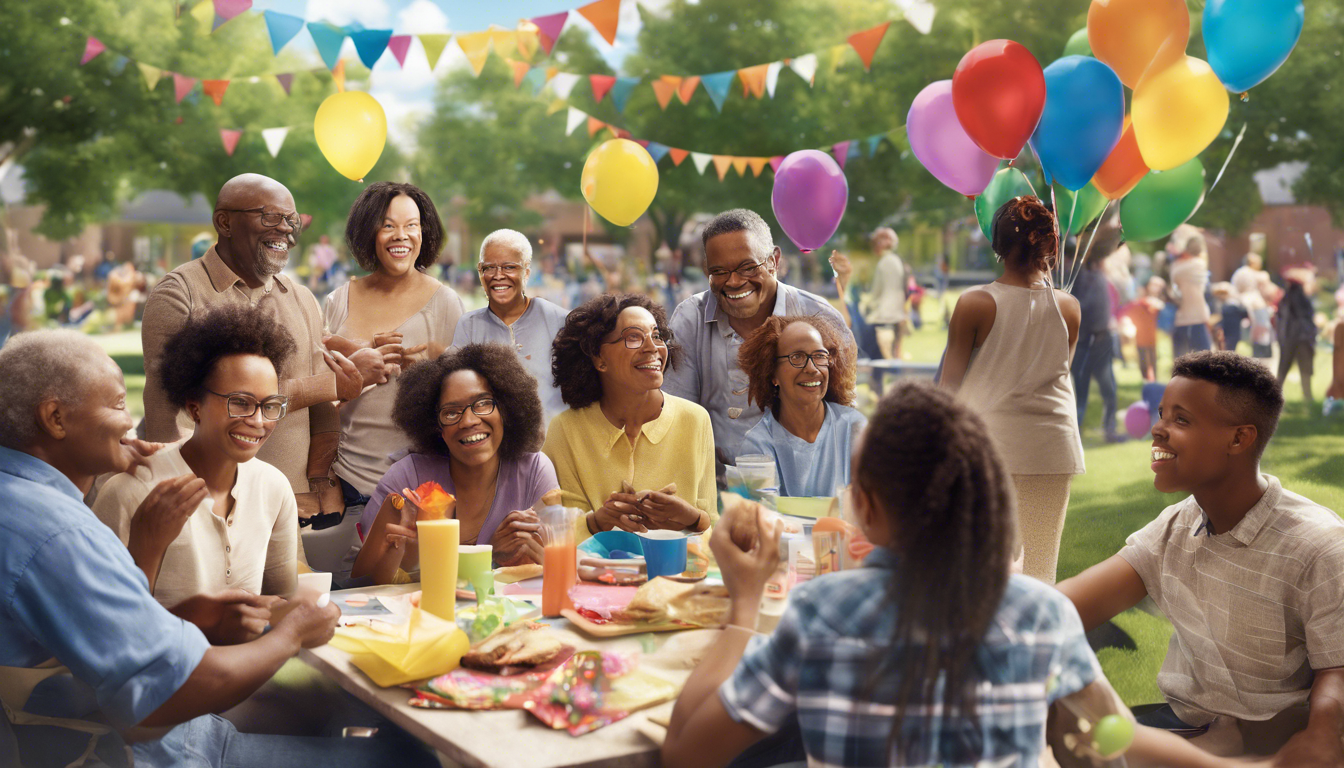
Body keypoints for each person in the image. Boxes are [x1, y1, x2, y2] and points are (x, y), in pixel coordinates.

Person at [661, 382, 1238, 768]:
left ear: (871, 507)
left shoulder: (823, 612)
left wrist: (744, 601)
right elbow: (1108, 738)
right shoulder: (1041, 613)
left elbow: (686, 754)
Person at [0, 330, 435, 768]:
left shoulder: (24, 503)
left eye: (270, 405)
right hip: (151, 745)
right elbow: (152, 700)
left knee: (362, 721)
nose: (130, 423)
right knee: (406, 756)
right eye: (117, 404)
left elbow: (102, 635)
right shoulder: (61, 532)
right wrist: (291, 633)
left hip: (177, 725)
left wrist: (197, 618)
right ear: (55, 418)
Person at [1058, 352, 1344, 760]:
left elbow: (1338, 666)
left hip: (1279, 741)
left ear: (1239, 439)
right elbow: (1066, 606)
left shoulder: (1318, 545)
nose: (1157, 430)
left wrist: (1322, 735)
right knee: (1064, 733)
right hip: (1187, 724)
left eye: (1181, 420)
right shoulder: (1176, 525)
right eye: (1161, 415)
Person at [141, 173, 391, 527]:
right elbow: (171, 420)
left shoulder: (302, 298)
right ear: (224, 222)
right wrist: (333, 386)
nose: (286, 231)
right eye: (270, 217)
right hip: (211, 511)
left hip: (292, 511)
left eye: (291, 221)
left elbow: (321, 408)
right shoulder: (180, 294)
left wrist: (319, 480)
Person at [92, 304, 298, 610]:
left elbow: (282, 598)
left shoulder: (274, 487)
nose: (258, 421)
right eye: (240, 403)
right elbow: (103, 621)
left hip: (249, 657)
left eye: (269, 405)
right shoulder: (130, 493)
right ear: (194, 407)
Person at [940, 196, 1084, 584]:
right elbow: (1058, 370)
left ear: (997, 246)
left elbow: (948, 388)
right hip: (1053, 446)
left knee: (979, 565)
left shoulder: (976, 302)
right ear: (1051, 245)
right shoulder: (1069, 307)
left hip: (989, 445)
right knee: (1039, 571)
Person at [323, 182, 464, 544]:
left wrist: (432, 361)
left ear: (424, 231)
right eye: (387, 225)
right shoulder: (339, 299)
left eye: (411, 225)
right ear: (368, 230)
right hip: (345, 484)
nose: (401, 236)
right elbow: (316, 400)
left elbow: (464, 400)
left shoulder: (444, 303)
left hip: (417, 492)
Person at [350, 344, 559, 583]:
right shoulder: (407, 477)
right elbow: (359, 586)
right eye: (451, 413)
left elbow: (556, 572)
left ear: (506, 410)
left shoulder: (534, 471)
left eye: (482, 403)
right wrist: (490, 555)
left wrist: (541, 554)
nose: (469, 421)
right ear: (437, 428)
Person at [664, 209, 851, 466]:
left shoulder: (819, 316)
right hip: (715, 486)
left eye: (748, 267)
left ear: (774, 260)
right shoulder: (690, 319)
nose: (734, 281)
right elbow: (676, 416)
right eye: (719, 271)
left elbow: (842, 414)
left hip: (800, 485)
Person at [544, 293, 716, 539]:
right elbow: (555, 532)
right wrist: (597, 522)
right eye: (633, 337)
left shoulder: (695, 420)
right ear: (599, 360)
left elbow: (714, 534)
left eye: (656, 336)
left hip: (676, 573)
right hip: (593, 575)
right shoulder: (566, 429)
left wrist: (693, 519)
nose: (653, 347)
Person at [735, 316, 867, 498]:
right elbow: (760, 518)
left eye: (820, 356)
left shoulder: (854, 427)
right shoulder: (757, 445)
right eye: (797, 357)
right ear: (772, 373)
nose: (812, 368)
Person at [452, 229, 569, 424]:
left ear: (526, 272)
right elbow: (455, 387)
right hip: (494, 445)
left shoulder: (557, 320)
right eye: (489, 268)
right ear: (480, 272)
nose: (498, 275)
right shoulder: (469, 326)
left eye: (509, 267)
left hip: (552, 445)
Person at [1071, 249, 1125, 443]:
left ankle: (1109, 430)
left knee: (1108, 388)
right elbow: (1080, 306)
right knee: (1081, 392)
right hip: (1086, 342)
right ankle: (1074, 434)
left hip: (1101, 340)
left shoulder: (1100, 278)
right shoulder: (1084, 278)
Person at [864, 226, 908, 360]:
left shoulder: (888, 261)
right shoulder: (889, 261)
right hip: (890, 317)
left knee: (883, 363)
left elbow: (889, 293)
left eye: (876, 241)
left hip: (885, 319)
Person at [1275, 269, 1318, 404]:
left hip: (1289, 339)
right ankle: (1308, 398)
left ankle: (1273, 398)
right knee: (1305, 370)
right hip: (1303, 339)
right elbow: (1307, 319)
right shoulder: (1303, 300)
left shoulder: (1285, 299)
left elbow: (1281, 320)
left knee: (1283, 369)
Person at [1169, 231, 1213, 359]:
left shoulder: (1176, 266)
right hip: (1197, 317)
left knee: (1181, 360)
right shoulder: (1198, 264)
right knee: (1204, 360)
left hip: (1179, 318)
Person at [1125, 276, 1166, 382]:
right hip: (1142, 335)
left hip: (1152, 336)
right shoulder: (1142, 302)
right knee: (1143, 358)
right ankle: (1146, 380)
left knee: (1152, 358)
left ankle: (1153, 380)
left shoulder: (1160, 301)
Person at [1232, 253, 1273, 358]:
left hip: (1242, 305)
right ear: (1253, 263)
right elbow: (1268, 291)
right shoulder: (1258, 274)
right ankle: (1262, 356)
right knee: (1262, 336)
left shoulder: (1238, 273)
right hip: (1256, 306)